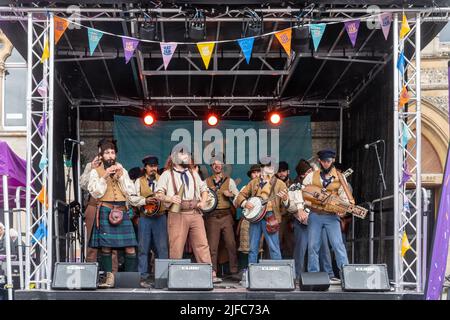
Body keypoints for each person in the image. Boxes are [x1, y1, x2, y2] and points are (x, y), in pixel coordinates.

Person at [88, 140, 150, 288]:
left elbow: (130, 192)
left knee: (130, 247)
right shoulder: (95, 172)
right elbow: (96, 192)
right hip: (106, 209)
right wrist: (105, 176)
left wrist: (121, 176)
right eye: (107, 153)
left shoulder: (123, 171)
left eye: (112, 152)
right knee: (106, 247)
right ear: (101, 155)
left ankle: (128, 279)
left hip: (122, 210)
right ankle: (109, 279)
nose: (110, 156)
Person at [155, 147, 221, 283]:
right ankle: (176, 276)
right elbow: (158, 194)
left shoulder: (193, 173)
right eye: (182, 154)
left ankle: (209, 274)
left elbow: (204, 189)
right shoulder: (167, 174)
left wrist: (203, 201)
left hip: (195, 213)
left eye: (186, 155)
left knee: (202, 244)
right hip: (177, 214)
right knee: (176, 246)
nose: (185, 157)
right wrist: (170, 198)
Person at [302, 149, 351, 284]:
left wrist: (342, 209)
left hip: (331, 216)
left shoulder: (341, 177)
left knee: (338, 245)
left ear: (333, 160)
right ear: (320, 161)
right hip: (315, 214)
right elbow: (303, 192)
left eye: (328, 161)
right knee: (313, 246)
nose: (326, 164)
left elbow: (345, 197)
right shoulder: (311, 176)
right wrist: (308, 203)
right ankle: (313, 276)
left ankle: (347, 276)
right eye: (323, 161)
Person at [235, 159, 290, 268]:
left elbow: (286, 206)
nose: (270, 170)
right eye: (267, 167)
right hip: (255, 218)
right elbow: (240, 196)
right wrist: (245, 203)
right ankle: (252, 273)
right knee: (252, 248)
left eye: (271, 167)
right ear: (262, 169)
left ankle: (278, 275)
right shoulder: (254, 182)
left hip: (270, 216)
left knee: (274, 247)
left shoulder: (280, 184)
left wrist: (285, 199)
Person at [289, 159, 334, 279]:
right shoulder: (294, 187)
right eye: (309, 171)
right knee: (301, 249)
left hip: (318, 219)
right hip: (301, 222)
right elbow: (291, 206)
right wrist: (300, 212)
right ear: (302, 174)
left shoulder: (317, 184)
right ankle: (297, 276)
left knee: (324, 247)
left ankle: (329, 274)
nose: (312, 172)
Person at [80, 138, 119, 273]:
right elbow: (84, 185)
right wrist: (91, 168)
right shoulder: (92, 165)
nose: (107, 154)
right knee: (92, 243)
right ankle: (90, 275)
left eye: (110, 151)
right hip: (93, 205)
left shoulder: (117, 166)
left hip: (110, 208)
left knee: (112, 244)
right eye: (104, 150)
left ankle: (112, 275)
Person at [135, 155, 168, 288]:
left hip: (160, 217)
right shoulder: (139, 181)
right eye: (150, 166)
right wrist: (144, 204)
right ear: (145, 167)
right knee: (143, 247)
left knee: (162, 248)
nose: (153, 168)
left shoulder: (163, 179)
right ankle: (142, 276)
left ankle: (163, 277)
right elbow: (134, 198)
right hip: (145, 218)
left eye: (155, 166)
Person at [204, 157, 240, 281]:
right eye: (214, 164)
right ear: (211, 167)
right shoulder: (206, 182)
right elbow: (200, 199)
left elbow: (238, 195)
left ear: (223, 165)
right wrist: (207, 195)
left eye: (219, 164)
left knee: (231, 244)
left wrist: (230, 195)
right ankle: (212, 271)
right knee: (212, 246)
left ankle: (234, 271)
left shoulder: (229, 181)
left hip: (226, 216)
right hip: (212, 217)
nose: (217, 166)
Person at [276, 161, 295, 259]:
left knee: (292, 245)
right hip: (278, 218)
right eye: (279, 171)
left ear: (288, 172)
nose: (281, 174)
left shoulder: (294, 185)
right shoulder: (273, 185)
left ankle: (294, 271)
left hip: (292, 219)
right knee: (276, 243)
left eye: (283, 171)